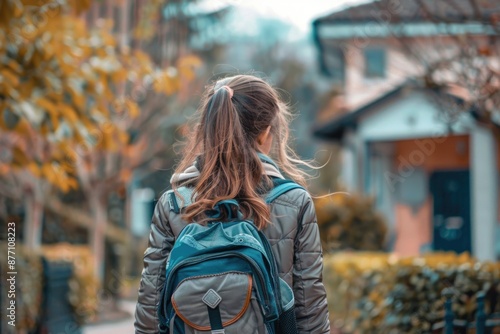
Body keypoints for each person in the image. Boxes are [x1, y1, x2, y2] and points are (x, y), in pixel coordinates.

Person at [134, 74, 330, 333]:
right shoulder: (294, 202)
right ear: (266, 132)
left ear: (209, 127)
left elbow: (150, 310)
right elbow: (310, 310)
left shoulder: (173, 204)